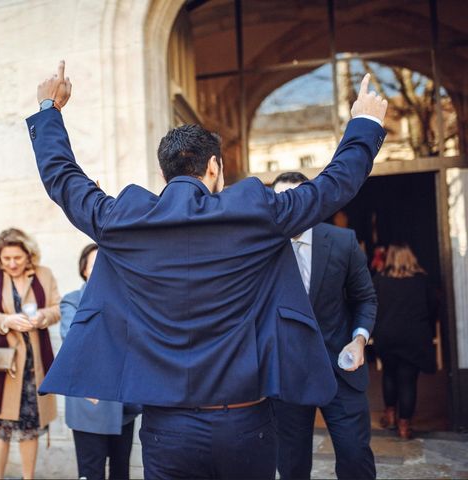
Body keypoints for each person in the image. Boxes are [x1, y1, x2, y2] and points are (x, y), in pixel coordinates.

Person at [28, 62, 387, 479]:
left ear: (163, 175)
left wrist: (48, 109)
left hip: (165, 429)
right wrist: (363, 122)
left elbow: (63, 180)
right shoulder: (257, 211)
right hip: (244, 424)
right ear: (214, 168)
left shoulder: (122, 218)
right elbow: (333, 185)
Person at [272, 172, 377, 480]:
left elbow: (366, 299)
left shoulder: (343, 241)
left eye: (296, 198)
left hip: (340, 373)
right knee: (291, 467)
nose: (289, 206)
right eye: (281, 200)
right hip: (287, 377)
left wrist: (359, 340)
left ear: (311, 201)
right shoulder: (263, 250)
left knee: (355, 458)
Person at [0, 228, 61, 480]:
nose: (11, 264)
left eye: (17, 258)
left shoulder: (44, 274)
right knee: (0, 428)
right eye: (6, 259)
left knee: (29, 428)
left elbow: (57, 308)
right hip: (1, 366)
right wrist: (6, 320)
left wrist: (43, 317)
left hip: (35, 366)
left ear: (28, 254)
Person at [61, 243, 138, 480]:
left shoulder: (131, 300)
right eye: (95, 266)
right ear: (84, 270)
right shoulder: (72, 301)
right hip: (90, 403)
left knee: (120, 471)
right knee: (91, 472)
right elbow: (75, 340)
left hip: (124, 403)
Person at [372, 243, 437, 440]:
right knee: (408, 380)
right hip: (414, 337)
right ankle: (404, 426)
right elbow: (433, 308)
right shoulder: (422, 281)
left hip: (387, 336)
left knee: (389, 375)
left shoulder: (379, 281)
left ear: (390, 258)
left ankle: (390, 415)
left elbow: (372, 308)